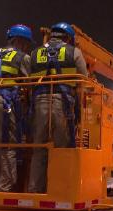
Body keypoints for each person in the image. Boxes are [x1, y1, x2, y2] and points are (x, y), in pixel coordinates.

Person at [28, 22, 88, 193]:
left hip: (39, 103)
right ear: (68, 37)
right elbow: (84, 79)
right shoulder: (73, 52)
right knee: (62, 149)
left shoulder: (35, 53)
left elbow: (29, 79)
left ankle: (34, 190)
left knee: (38, 148)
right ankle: (60, 191)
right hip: (62, 103)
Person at [0, 24, 32, 192]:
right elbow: (31, 83)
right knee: (8, 145)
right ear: (19, 41)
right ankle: (5, 189)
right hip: (4, 103)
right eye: (26, 44)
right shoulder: (21, 57)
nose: (26, 47)